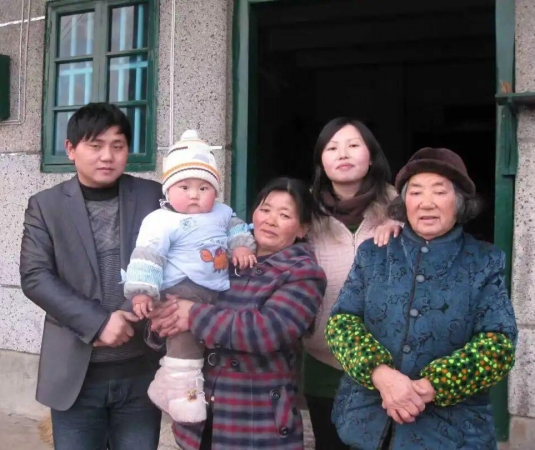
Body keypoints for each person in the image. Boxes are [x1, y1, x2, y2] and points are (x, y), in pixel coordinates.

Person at [325, 147, 518, 449]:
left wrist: (430, 386)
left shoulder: (483, 261)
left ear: (459, 202)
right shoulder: (374, 254)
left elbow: (498, 344)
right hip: (367, 423)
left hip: (452, 433)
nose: (427, 203)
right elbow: (341, 323)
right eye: (415, 192)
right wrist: (381, 374)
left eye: (439, 192)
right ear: (404, 203)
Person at [20, 103, 163, 450]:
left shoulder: (152, 196)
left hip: (141, 370)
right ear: (71, 149)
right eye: (95, 145)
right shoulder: (46, 205)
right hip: (75, 374)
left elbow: (174, 259)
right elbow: (36, 276)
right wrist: (98, 323)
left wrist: (127, 312)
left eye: (118, 145)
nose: (107, 156)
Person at [147, 177, 327, 450]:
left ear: (302, 228)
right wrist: (165, 322)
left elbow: (266, 331)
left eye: (284, 215)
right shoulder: (222, 258)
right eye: (265, 209)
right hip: (202, 419)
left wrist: (193, 315)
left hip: (256, 420)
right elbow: (183, 297)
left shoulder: (303, 273)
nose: (271, 220)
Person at [123, 130, 256, 424]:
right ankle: (186, 395)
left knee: (205, 342)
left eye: (204, 187)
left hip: (215, 291)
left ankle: (165, 385)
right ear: (168, 191)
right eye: (184, 186)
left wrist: (242, 246)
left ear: (215, 192)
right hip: (180, 291)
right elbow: (147, 255)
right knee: (185, 341)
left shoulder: (222, 213)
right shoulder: (161, 220)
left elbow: (237, 228)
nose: (194, 194)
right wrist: (142, 291)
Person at [303, 118, 400, 450]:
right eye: (332, 148)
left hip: (390, 362)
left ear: (371, 156)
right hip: (322, 359)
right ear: (321, 161)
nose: (342, 154)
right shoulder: (304, 212)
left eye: (354, 145)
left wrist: (400, 222)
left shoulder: (404, 208)